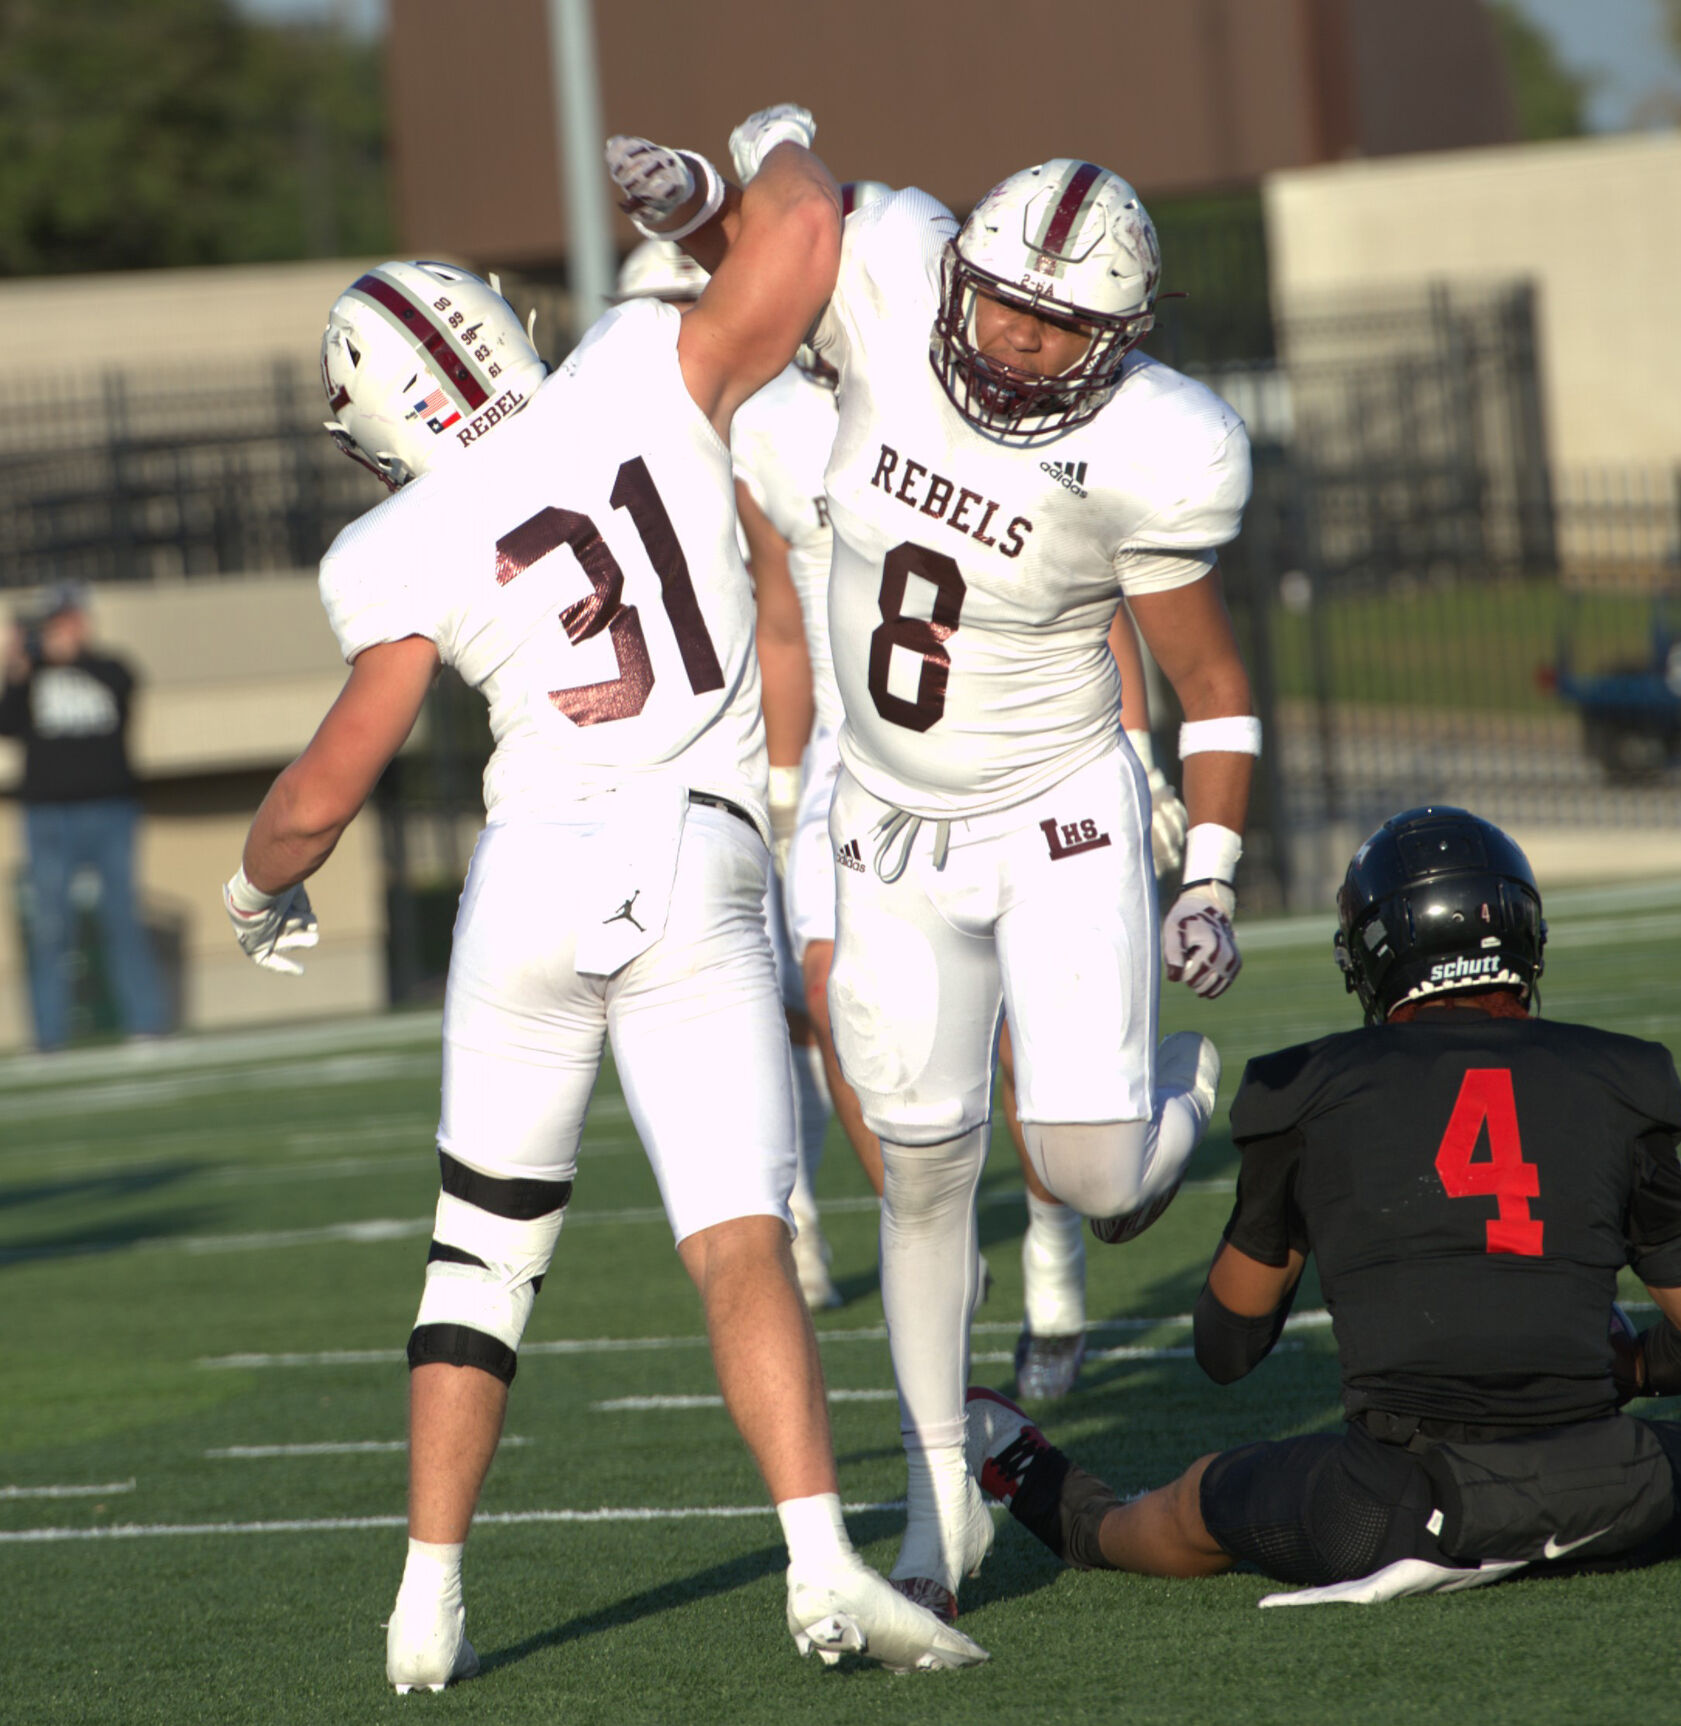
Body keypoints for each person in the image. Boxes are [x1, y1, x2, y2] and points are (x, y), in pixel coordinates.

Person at [224, 125, 983, 1690]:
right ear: (499, 319)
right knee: (737, 1243)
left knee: (478, 1257)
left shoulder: (394, 537)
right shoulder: (639, 362)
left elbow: (322, 789)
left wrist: (256, 886)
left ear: (373, 428)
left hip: (528, 877)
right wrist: (768, 156)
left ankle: (426, 1603)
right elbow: (803, 241)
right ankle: (823, 1564)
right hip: (693, 854)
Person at [607, 109, 1262, 1622]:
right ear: (965, 273)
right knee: (919, 1174)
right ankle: (936, 1499)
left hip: (1060, 812)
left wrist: (1211, 869)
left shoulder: (1160, 442)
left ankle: (1183, 1094)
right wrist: (712, 191)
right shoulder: (900, 278)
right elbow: (777, 241)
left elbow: (1215, 680)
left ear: (1124, 336)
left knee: (1098, 1174)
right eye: (1013, 302)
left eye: (1064, 321)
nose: (1027, 340)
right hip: (886, 818)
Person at [962, 806, 1681, 1601]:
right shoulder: (1617, 1076)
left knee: (1194, 1503)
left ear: (1374, 950)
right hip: (1605, 1485)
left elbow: (1226, 1349)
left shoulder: (1302, 1086)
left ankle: (1058, 1504)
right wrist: (1616, 1364)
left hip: (1392, 1509)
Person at [611, 233, 842, 1310]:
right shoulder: (600, 440)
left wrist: (789, 773)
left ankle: (874, 1194)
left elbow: (789, 610)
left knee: (826, 991)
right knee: (727, 983)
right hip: (675, 750)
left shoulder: (781, 420)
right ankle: (781, 1212)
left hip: (786, 736)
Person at [1, 584, 166, 1050]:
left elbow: (125, 691)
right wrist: (16, 667)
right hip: (48, 816)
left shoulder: (110, 667)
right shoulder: (30, 676)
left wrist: (72, 657)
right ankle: (49, 1039)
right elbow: (7, 724)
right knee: (52, 927)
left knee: (121, 918)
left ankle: (146, 1024)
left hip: (110, 810)